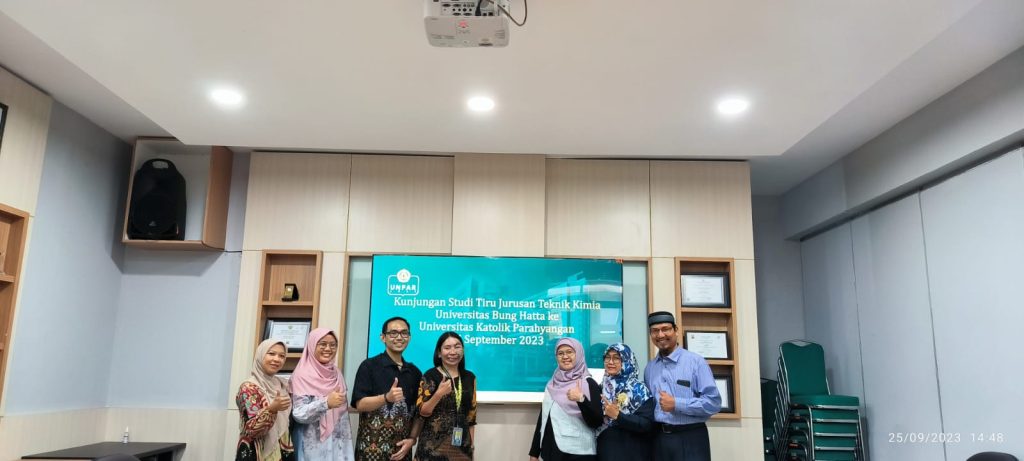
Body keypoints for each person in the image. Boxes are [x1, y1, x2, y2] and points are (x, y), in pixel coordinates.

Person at [643, 311, 721, 461]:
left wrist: (676, 404)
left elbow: (713, 403)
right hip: (659, 440)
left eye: (665, 329)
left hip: (691, 438)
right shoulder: (650, 368)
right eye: (655, 331)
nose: (660, 335)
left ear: (676, 330)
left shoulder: (696, 362)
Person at [351, 316, 423, 461]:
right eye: (393, 333)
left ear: (409, 337)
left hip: (402, 453)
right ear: (383, 337)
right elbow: (360, 404)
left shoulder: (415, 372)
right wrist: (386, 398)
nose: (399, 337)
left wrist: (412, 439)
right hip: (370, 453)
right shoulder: (369, 366)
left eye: (404, 333)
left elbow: (418, 413)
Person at [528, 338, 603, 461]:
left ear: (578, 354)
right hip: (551, 452)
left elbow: (597, 421)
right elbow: (544, 418)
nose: (565, 356)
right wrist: (534, 452)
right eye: (560, 353)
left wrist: (581, 399)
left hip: (578, 454)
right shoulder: (552, 384)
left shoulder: (589, 383)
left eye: (569, 352)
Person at [289, 328, 355, 461]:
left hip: (338, 444)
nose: (328, 349)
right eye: (323, 344)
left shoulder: (336, 373)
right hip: (312, 447)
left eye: (333, 345)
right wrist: (325, 403)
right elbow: (298, 414)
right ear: (312, 345)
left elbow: (342, 416)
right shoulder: (301, 375)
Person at [415, 331, 478, 460]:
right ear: (439, 353)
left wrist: (471, 446)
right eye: (447, 348)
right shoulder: (430, 376)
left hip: (461, 448)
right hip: (432, 448)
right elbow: (423, 411)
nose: (453, 352)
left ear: (463, 350)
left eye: (457, 346)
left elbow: (471, 416)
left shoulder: (469, 377)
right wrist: (439, 394)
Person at [236, 339, 295, 461]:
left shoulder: (282, 385)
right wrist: (272, 409)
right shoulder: (248, 387)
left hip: (282, 450)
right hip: (256, 453)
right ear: (260, 355)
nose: (277, 359)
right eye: (271, 354)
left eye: (282, 356)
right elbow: (253, 430)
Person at [596, 343, 655, 461]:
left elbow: (646, 424)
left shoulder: (639, 389)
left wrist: (618, 416)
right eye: (607, 357)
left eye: (616, 358)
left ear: (627, 361)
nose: (610, 362)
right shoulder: (601, 387)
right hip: (605, 448)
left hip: (632, 449)